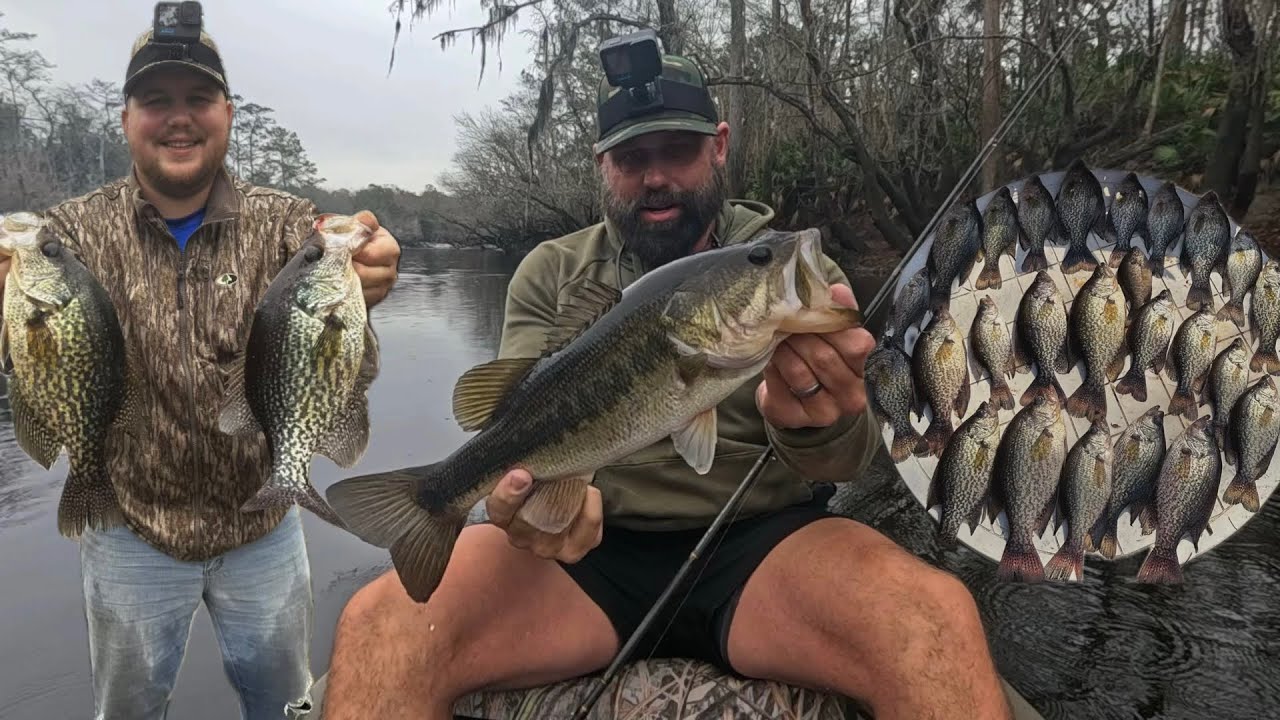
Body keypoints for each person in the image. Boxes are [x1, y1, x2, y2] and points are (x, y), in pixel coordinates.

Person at [318, 51, 1012, 720]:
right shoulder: (550, 272)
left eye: (677, 151)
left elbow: (846, 463)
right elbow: (511, 422)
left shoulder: (794, 276)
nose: (655, 178)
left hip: (765, 547)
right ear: (603, 166)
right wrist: (534, 510)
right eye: (631, 159)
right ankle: (431, 501)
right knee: (381, 626)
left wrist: (817, 423)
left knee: (936, 622)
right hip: (584, 559)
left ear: (719, 146)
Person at [0, 19, 401, 720]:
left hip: (264, 524)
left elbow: (342, 359)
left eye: (199, 98)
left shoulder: (289, 227)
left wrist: (365, 272)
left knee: (285, 706)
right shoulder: (69, 236)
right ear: (126, 120)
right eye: (156, 100)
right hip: (126, 525)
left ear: (228, 115)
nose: (178, 117)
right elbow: (34, 360)